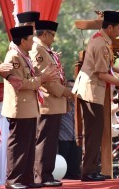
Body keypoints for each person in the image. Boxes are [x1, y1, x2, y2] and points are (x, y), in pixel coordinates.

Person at [72, 11, 119, 182]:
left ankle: (91, 169)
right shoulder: (101, 44)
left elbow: (104, 68)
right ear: (109, 27)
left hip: (93, 91)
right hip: (91, 92)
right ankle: (88, 172)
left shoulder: (101, 40)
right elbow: (101, 74)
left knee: (96, 131)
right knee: (94, 132)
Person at [2, 26, 58, 189]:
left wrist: (41, 78)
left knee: (28, 144)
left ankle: (26, 178)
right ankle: (14, 180)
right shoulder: (13, 56)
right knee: (18, 144)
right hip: (19, 107)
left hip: (29, 107)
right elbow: (19, 83)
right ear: (23, 40)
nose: (33, 42)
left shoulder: (23, 55)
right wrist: (42, 79)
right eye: (30, 39)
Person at [29, 20, 74, 187]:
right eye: (52, 35)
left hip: (54, 102)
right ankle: (41, 175)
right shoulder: (38, 50)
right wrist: (66, 92)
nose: (54, 39)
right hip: (48, 101)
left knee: (50, 141)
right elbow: (45, 81)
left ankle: (46, 174)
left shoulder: (45, 50)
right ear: (45, 34)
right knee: (45, 141)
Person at [58, 79, 82, 180]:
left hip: (76, 140)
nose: (72, 91)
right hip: (63, 139)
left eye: (74, 88)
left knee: (75, 170)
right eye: (69, 88)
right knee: (63, 170)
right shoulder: (61, 103)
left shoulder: (79, 105)